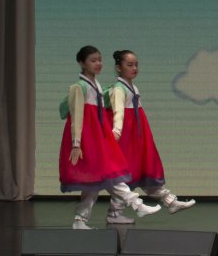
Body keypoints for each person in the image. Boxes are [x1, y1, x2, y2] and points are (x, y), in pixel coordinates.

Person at [58, 45, 161, 229]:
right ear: (81, 63)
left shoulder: (97, 86)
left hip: (97, 136)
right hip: (87, 138)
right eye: (93, 60)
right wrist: (76, 144)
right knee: (107, 173)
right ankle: (136, 204)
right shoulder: (80, 87)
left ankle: (80, 220)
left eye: (100, 60)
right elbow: (77, 118)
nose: (98, 63)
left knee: (97, 179)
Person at [103, 49, 195, 224]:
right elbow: (118, 113)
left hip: (137, 134)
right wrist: (117, 132)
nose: (134, 68)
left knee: (143, 169)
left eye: (136, 65)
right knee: (124, 173)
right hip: (125, 137)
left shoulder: (133, 87)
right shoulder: (118, 89)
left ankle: (169, 201)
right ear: (118, 67)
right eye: (130, 65)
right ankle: (115, 213)